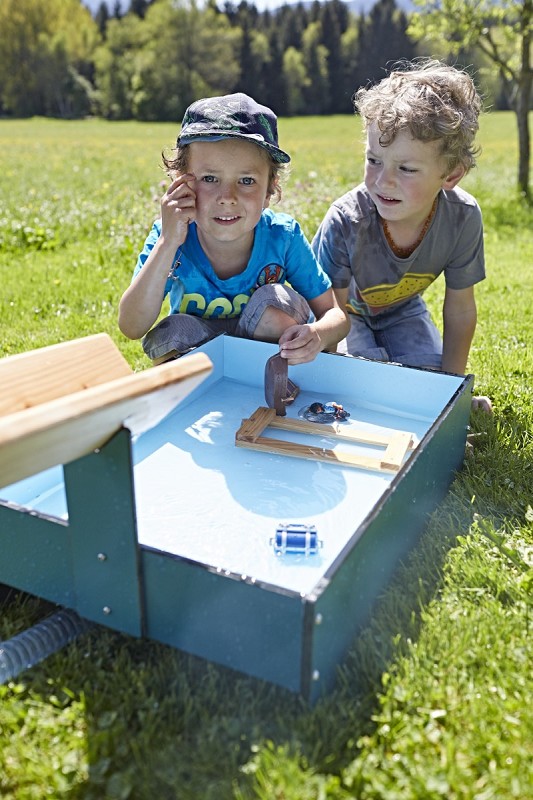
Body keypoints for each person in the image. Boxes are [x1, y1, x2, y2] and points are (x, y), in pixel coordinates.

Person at [312, 59, 492, 412]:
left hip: (403, 311)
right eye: (374, 160)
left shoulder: (462, 218)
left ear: (452, 174)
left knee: (426, 383)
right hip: (346, 315)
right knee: (364, 389)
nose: (383, 181)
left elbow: (459, 309)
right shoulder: (346, 221)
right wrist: (335, 380)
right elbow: (328, 314)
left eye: (406, 168)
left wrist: (451, 393)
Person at [119, 93, 349, 366]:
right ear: (181, 184)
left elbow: (336, 315)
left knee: (271, 304)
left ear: (270, 189)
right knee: (173, 331)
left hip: (270, 358)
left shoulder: (282, 236)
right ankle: (195, 400)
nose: (227, 196)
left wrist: (318, 335)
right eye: (210, 178)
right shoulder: (171, 236)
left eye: (247, 180)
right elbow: (131, 327)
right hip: (204, 352)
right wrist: (168, 242)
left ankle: (280, 390)